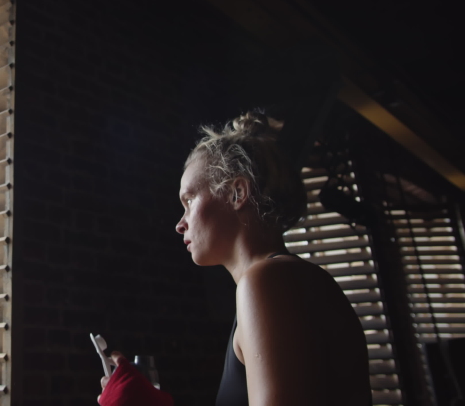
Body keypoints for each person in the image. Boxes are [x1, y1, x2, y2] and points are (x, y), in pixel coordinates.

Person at [99, 112, 372, 406]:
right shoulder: (295, 279)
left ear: (237, 193)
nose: (180, 223)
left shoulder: (267, 281)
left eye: (189, 200)